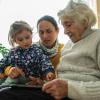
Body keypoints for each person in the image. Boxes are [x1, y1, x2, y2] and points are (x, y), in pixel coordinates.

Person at [42, 0, 100, 100]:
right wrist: (45, 84)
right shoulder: (68, 45)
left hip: (79, 96)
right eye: (63, 26)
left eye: (68, 25)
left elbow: (68, 86)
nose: (65, 32)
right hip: (60, 94)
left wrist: (70, 89)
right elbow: (64, 78)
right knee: (12, 92)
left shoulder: (97, 38)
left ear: (84, 21)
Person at [0, 20, 55, 85]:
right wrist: (8, 70)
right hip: (16, 78)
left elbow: (44, 61)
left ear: (31, 34)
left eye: (27, 37)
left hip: (31, 80)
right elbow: (2, 63)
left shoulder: (37, 50)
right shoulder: (13, 52)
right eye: (20, 40)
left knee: (11, 81)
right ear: (15, 40)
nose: (25, 41)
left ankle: (3, 90)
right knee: (5, 79)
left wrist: (48, 72)